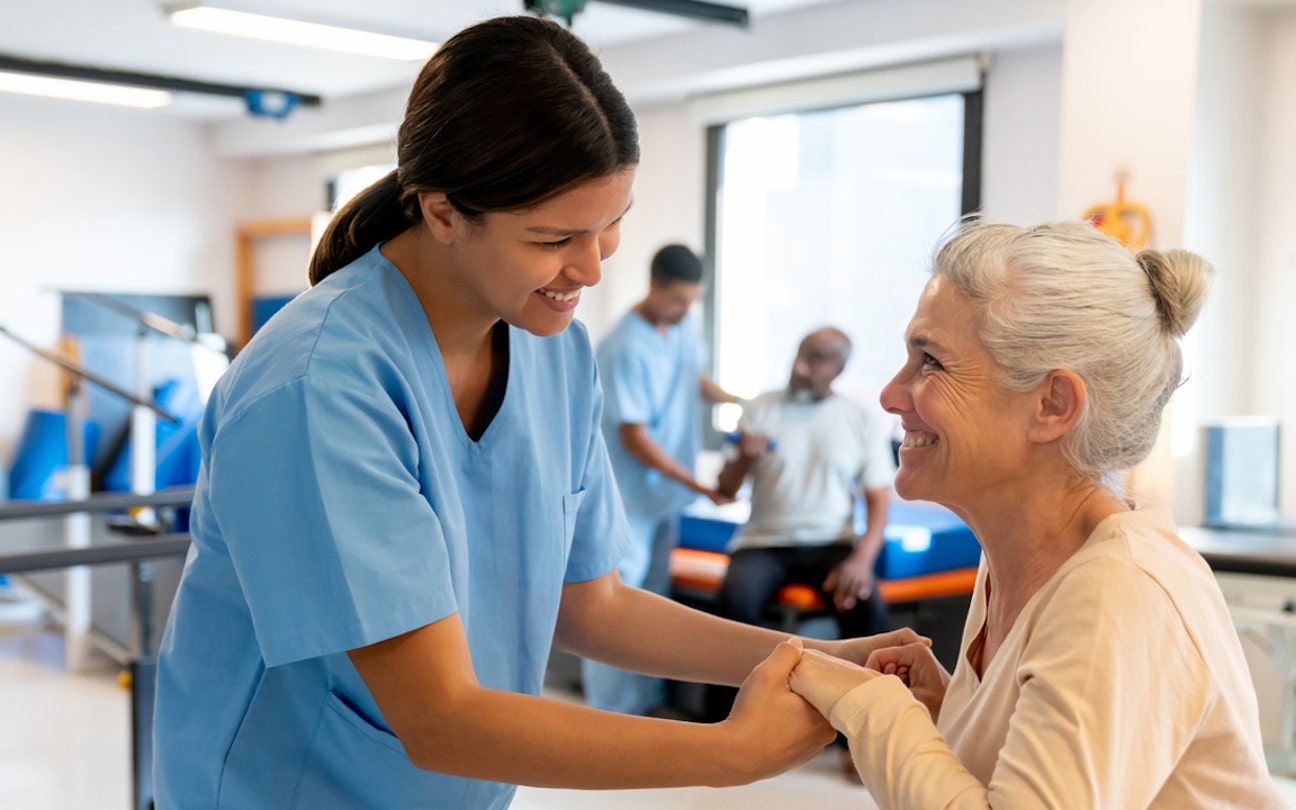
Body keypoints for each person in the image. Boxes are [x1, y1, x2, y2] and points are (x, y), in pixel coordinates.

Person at [152, 17, 922, 810]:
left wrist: (827, 663)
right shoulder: (317, 387)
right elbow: (440, 717)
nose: (590, 267)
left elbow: (593, 604)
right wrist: (727, 752)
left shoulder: (555, 353)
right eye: (556, 237)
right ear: (445, 212)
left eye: (611, 225)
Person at [783, 220, 1290, 808]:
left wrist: (870, 709)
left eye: (932, 363)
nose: (891, 395)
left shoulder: (1117, 592)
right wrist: (945, 712)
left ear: (1051, 405)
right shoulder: (1013, 561)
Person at [704, 326, 895, 724]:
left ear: (838, 368)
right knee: (734, 602)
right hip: (763, 543)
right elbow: (725, 488)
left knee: (866, 606)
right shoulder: (761, 407)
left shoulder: (858, 419)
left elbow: (879, 499)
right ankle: (725, 723)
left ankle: (861, 735)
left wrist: (861, 561)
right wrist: (743, 458)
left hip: (832, 543)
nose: (800, 367)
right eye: (799, 355)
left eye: (815, 360)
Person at [582, 243, 742, 715]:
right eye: (678, 300)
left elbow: (691, 378)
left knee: (652, 602)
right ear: (654, 286)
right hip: (626, 499)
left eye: (693, 300)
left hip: (664, 499)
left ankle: (647, 704)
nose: (686, 309)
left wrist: (743, 401)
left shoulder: (681, 326)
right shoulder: (624, 346)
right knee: (614, 608)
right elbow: (634, 437)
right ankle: (612, 713)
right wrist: (699, 486)